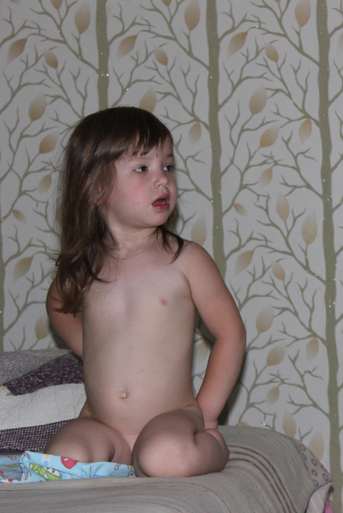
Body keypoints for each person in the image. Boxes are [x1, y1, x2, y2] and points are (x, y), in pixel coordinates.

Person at [44, 106, 246, 478]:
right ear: (94, 187)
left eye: (167, 166)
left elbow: (230, 334)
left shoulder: (185, 260)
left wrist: (207, 413)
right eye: (142, 168)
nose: (162, 180)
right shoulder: (86, 266)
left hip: (170, 417)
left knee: (162, 458)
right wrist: (90, 346)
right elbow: (57, 302)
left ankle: (213, 446)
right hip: (102, 422)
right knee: (63, 458)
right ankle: (121, 455)